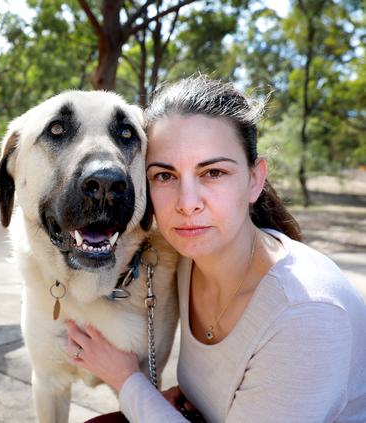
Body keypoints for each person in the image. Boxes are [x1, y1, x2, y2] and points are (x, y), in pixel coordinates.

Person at [67, 76, 366, 422]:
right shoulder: (183, 259)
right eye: (165, 176)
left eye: (213, 172)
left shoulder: (307, 314)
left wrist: (127, 379)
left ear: (255, 179)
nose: (187, 203)